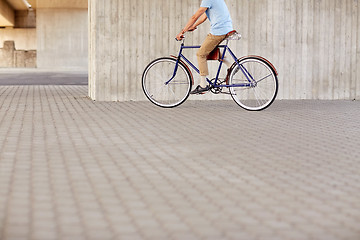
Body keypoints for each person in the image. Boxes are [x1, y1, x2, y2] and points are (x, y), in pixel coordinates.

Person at [176, 0, 234, 94]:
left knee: (200, 54)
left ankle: (203, 85)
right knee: (210, 49)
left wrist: (182, 31)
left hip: (219, 31)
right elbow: (205, 16)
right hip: (226, 29)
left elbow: (195, 16)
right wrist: (194, 26)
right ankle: (230, 65)